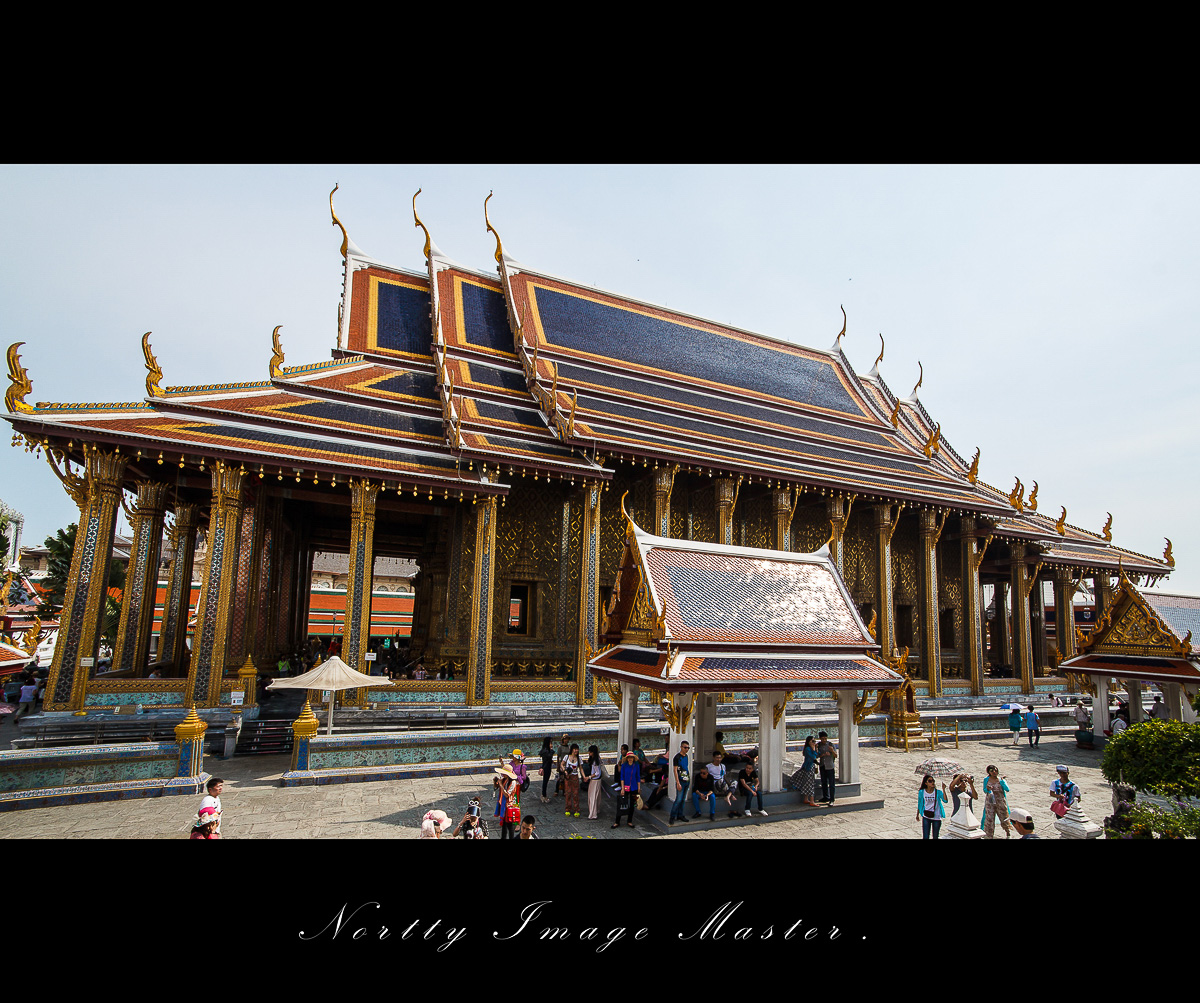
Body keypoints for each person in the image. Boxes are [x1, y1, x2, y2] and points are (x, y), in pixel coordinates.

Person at [981, 765, 1013, 838]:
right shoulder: (986, 779)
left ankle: (1008, 833)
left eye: (995, 770)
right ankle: (989, 835)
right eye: (992, 771)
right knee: (989, 819)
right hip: (990, 802)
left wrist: (1003, 781)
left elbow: (1007, 789)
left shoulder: (1000, 780)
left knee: (1004, 817)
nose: (994, 772)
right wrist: (988, 789)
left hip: (1000, 802)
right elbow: (984, 790)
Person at [613, 749, 641, 828]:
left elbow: (638, 777)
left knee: (632, 805)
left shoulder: (636, 765)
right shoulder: (624, 765)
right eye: (629, 757)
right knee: (621, 803)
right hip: (625, 786)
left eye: (631, 757)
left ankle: (629, 821)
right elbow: (622, 777)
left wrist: (639, 787)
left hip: (634, 787)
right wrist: (622, 788)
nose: (630, 759)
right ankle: (617, 821)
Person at [916, 774, 949, 839]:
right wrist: (917, 814)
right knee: (925, 836)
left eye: (933, 781)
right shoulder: (922, 792)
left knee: (935, 836)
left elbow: (945, 800)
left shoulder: (938, 792)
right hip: (926, 816)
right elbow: (920, 803)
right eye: (930, 781)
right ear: (926, 783)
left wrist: (944, 789)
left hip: (936, 817)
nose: (932, 782)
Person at [668, 740, 692, 825]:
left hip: (686, 779)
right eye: (685, 747)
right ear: (681, 747)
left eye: (688, 748)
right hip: (680, 780)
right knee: (678, 799)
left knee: (683, 799)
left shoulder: (686, 756)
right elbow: (675, 770)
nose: (686, 749)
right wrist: (677, 782)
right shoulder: (677, 757)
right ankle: (672, 816)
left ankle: (680, 814)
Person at [496, 767, 522, 839]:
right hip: (504, 805)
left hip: (509, 806)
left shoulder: (513, 782)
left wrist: (501, 785)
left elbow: (507, 795)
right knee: (504, 825)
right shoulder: (505, 780)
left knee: (510, 826)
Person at [798, 735, 821, 807]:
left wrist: (816, 748)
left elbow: (817, 755)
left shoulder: (811, 748)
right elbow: (813, 757)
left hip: (811, 767)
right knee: (810, 784)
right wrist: (813, 749)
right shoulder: (808, 749)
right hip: (808, 768)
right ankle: (812, 800)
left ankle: (806, 798)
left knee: (808, 783)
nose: (814, 743)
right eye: (812, 741)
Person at [817, 731, 838, 805]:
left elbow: (836, 755)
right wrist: (823, 755)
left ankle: (832, 799)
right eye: (822, 739)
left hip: (830, 765)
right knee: (824, 782)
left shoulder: (830, 745)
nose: (824, 740)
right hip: (823, 765)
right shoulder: (818, 745)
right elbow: (816, 755)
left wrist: (832, 751)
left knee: (831, 783)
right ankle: (825, 796)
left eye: (825, 738)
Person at [562, 743, 582, 818]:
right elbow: (562, 764)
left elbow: (581, 768)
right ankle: (568, 808)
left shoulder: (579, 758)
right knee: (568, 793)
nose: (576, 751)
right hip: (568, 777)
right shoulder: (566, 757)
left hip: (575, 776)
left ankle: (576, 809)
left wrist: (584, 776)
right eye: (575, 749)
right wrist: (565, 770)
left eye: (577, 749)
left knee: (575, 793)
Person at [584, 745, 604, 819]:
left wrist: (589, 777)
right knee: (596, 796)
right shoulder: (597, 759)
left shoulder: (595, 761)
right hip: (598, 780)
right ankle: (596, 810)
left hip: (595, 780)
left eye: (590, 752)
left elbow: (597, 773)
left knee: (592, 797)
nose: (589, 753)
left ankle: (593, 813)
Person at [538, 736, 555, 803]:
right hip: (546, 768)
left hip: (547, 766)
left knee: (546, 781)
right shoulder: (546, 751)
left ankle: (544, 795)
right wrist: (551, 751)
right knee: (545, 781)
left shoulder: (545, 750)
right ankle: (544, 795)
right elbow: (548, 756)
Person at [555, 733, 571, 797]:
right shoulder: (560, 747)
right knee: (560, 777)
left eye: (567, 739)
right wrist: (558, 765)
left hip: (567, 764)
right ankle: (556, 790)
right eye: (565, 739)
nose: (566, 740)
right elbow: (558, 756)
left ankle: (565, 790)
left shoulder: (569, 747)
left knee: (566, 778)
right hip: (562, 764)